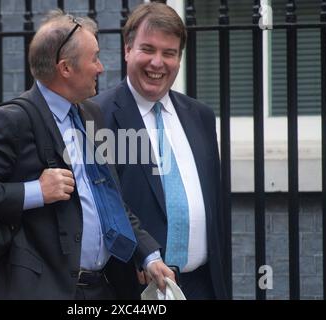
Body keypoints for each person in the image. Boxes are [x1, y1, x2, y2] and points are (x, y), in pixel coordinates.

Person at [0, 10, 174, 300]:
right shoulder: (13, 120)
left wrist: (149, 256)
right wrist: (36, 191)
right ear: (66, 68)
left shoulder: (90, 113)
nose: (101, 67)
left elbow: (110, 199)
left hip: (101, 288)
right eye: (94, 58)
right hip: (44, 290)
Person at [93, 2, 229, 299]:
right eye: (148, 49)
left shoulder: (200, 116)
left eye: (169, 53)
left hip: (202, 285)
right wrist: (140, 253)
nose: (158, 63)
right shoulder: (97, 116)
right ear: (127, 50)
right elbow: (103, 203)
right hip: (134, 289)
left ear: (179, 59)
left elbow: (215, 205)